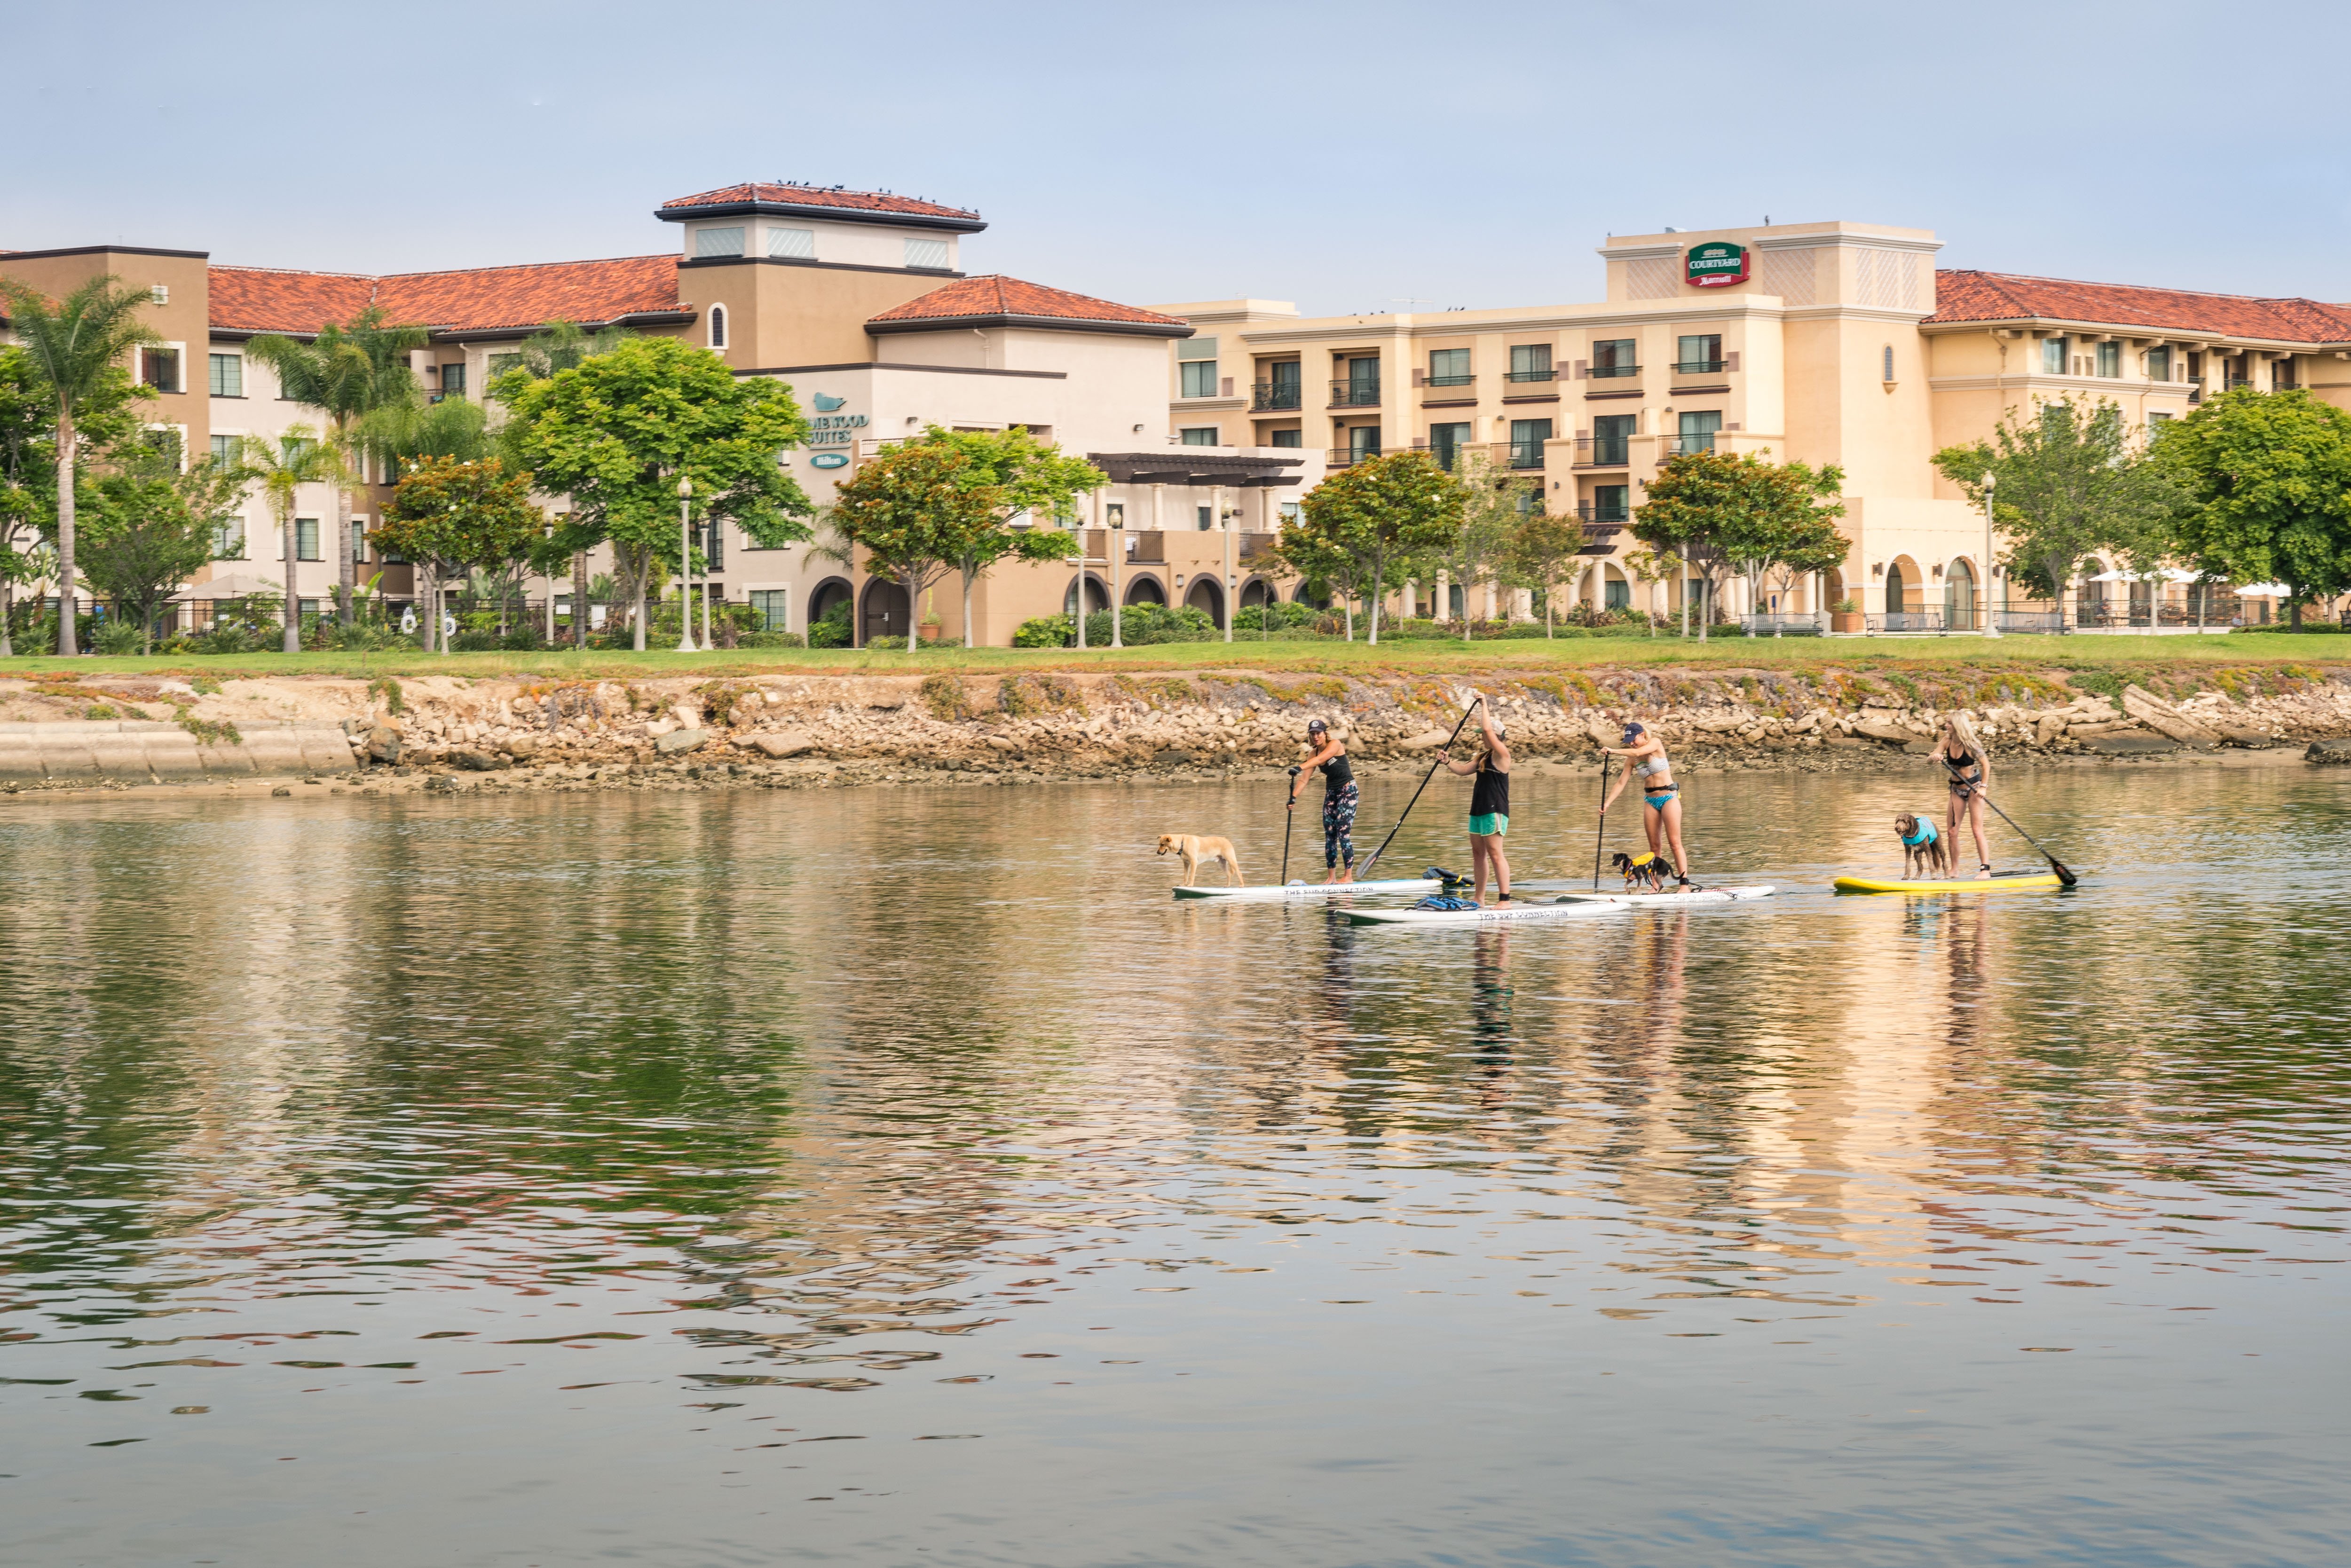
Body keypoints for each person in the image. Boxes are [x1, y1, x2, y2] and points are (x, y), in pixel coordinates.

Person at [1601, 720, 1693, 891]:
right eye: (1628, 742)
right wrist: (1607, 804)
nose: (1631, 743)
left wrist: (1613, 751)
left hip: (1669, 797)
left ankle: (1684, 884)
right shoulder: (1631, 759)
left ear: (1642, 734)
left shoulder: (1655, 743)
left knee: (1674, 843)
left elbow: (1640, 751)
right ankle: (1656, 885)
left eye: (1633, 739)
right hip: (1650, 800)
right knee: (1654, 848)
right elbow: (1621, 783)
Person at [1440, 699, 1512, 904]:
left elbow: (1489, 730)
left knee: (1495, 853)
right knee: (1478, 854)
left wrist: (1484, 704)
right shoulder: (1483, 756)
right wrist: (1447, 762)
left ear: (1497, 737)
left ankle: (1505, 900)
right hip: (1478, 810)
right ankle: (1479, 899)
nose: (1482, 736)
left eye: (1484, 734)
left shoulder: (1502, 755)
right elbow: (1463, 771)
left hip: (1495, 810)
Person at [1287, 717, 1357, 884]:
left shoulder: (1336, 744)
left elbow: (1321, 760)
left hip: (1348, 791)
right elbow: (1304, 780)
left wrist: (1299, 766)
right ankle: (1331, 878)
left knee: (1343, 834)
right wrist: (1293, 797)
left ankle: (1348, 877)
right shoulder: (1313, 754)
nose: (1315, 737)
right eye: (1312, 734)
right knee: (1330, 836)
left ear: (1325, 734)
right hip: (1332, 793)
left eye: (1318, 733)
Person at [1937, 713, 1994, 877]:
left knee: (1977, 830)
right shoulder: (1946, 741)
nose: (1946, 725)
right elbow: (1931, 757)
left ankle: (1985, 870)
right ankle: (1954, 870)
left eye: (1949, 723)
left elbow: (1986, 766)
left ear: (1957, 725)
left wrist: (1983, 787)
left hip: (1974, 789)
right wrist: (1935, 757)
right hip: (1956, 789)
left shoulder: (1971, 744)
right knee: (1952, 832)